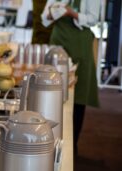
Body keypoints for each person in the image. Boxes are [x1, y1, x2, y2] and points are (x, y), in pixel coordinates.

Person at [41, 0, 101, 155]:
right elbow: (44, 18)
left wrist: (71, 13)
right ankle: (49, 139)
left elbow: (93, 19)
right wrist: (50, 14)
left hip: (80, 42)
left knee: (78, 94)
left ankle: (72, 144)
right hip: (58, 39)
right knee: (52, 89)